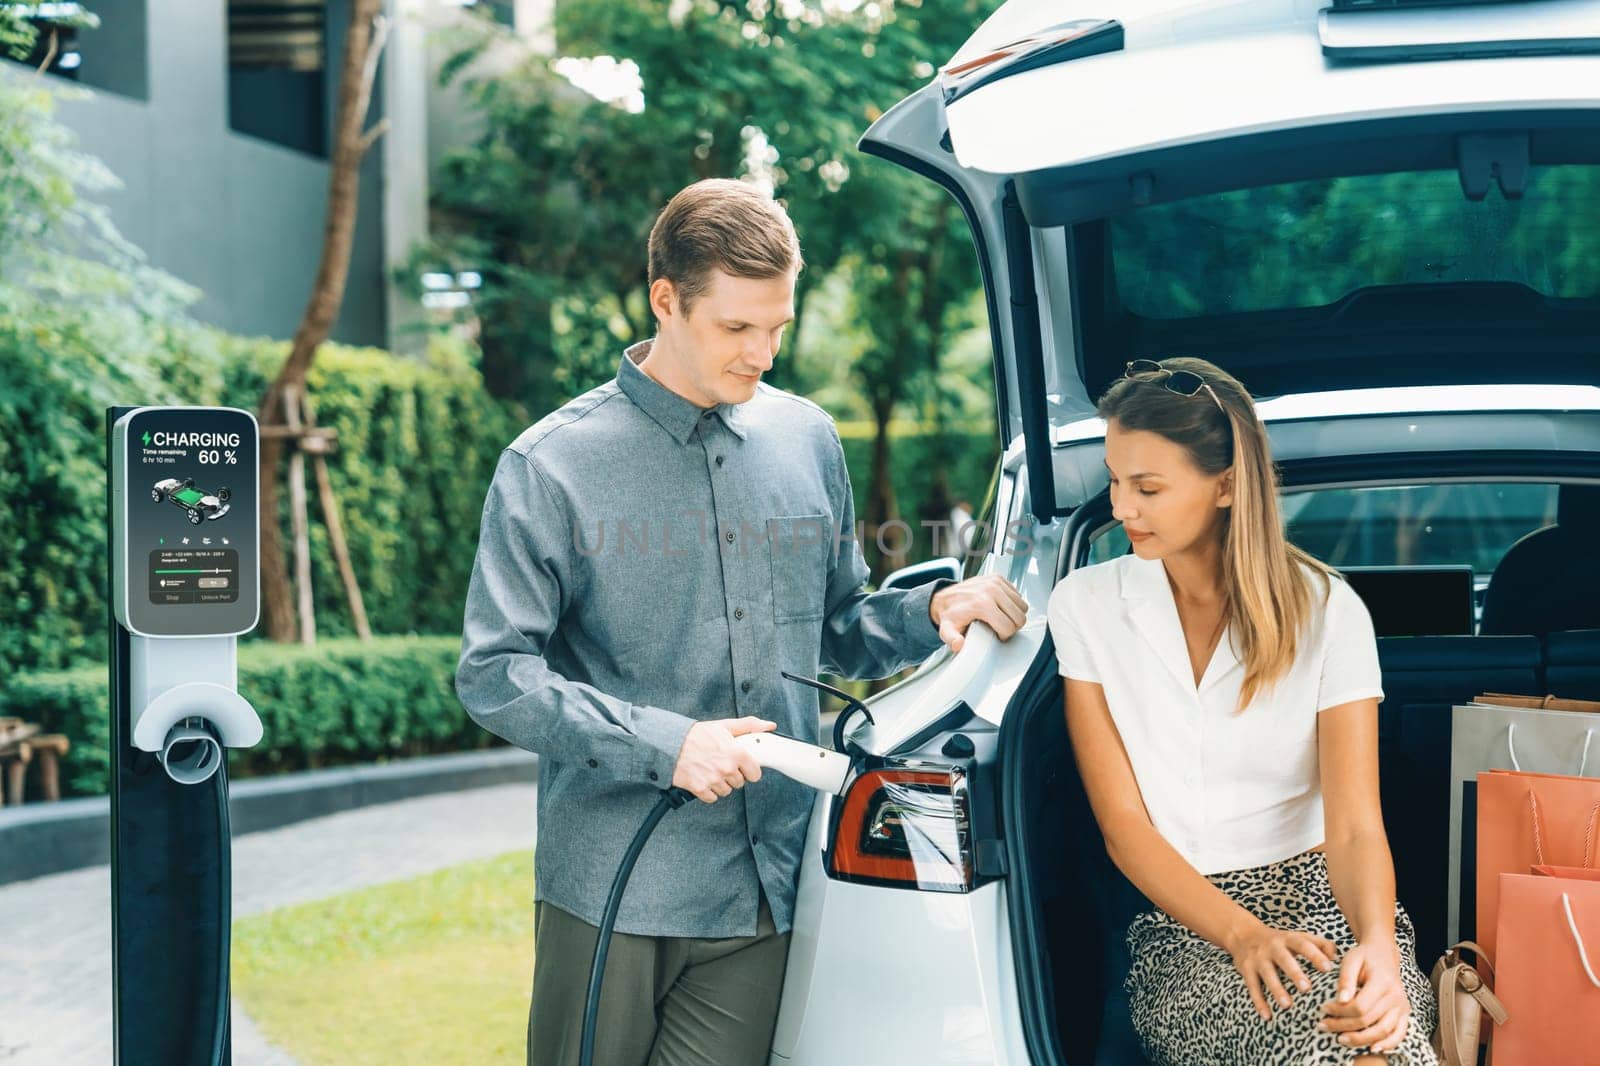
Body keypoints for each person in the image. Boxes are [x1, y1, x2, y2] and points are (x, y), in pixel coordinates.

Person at [455, 177, 1029, 1066]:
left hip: (770, 882)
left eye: (778, 327)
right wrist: (667, 743)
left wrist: (929, 610)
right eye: (736, 328)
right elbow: (495, 674)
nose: (763, 353)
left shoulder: (807, 438)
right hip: (617, 886)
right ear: (665, 301)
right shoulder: (552, 465)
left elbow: (835, 626)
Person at [1045, 356, 1439, 1066]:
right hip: (1186, 924)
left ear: (1226, 486)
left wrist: (1379, 947)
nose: (1121, 508)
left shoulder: (1329, 610)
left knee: (1379, 1039)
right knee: (1330, 1047)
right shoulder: (1085, 605)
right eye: (1114, 480)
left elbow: (1353, 827)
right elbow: (1124, 828)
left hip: (1330, 903)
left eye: (1148, 487)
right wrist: (1244, 935)